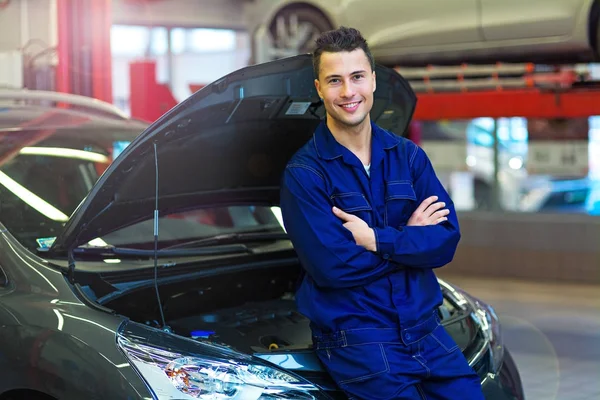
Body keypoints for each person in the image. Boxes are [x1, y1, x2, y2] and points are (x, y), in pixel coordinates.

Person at [279, 26, 485, 400]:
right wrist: (410, 241)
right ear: (319, 88)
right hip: (359, 339)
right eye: (335, 80)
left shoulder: (408, 156)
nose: (348, 92)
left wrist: (376, 239)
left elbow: (445, 240)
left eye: (357, 77)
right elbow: (333, 267)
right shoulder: (305, 174)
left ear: (373, 80)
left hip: (424, 328)